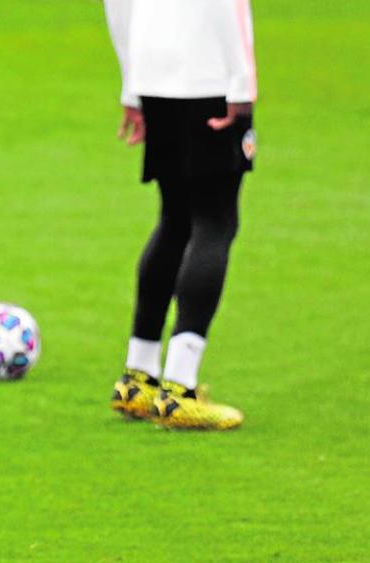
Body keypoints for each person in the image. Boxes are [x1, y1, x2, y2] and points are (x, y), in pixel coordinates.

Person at [104, 0, 257, 429]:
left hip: (152, 74)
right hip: (209, 76)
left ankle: (139, 377)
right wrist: (241, 86)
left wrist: (132, 86)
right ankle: (180, 388)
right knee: (215, 220)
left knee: (175, 217)